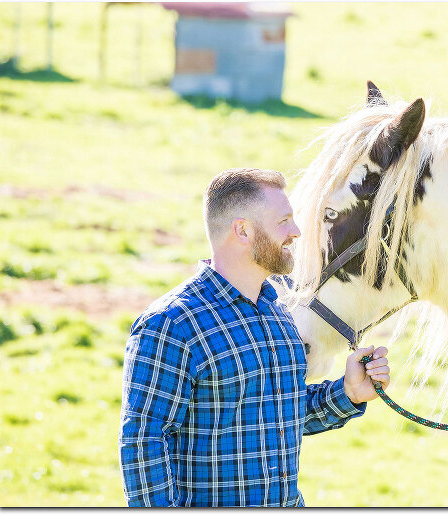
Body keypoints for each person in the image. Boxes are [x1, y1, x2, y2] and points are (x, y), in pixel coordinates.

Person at [119, 168, 390, 507]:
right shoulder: (172, 324)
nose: (296, 232)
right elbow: (143, 444)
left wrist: (348, 392)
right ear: (243, 231)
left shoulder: (279, 313)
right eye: (283, 221)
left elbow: (280, 415)